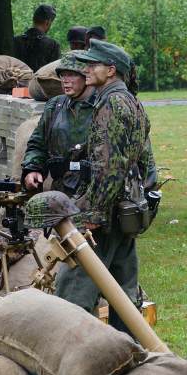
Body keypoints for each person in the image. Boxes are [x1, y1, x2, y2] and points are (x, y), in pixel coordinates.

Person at [59, 39, 148, 337]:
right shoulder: (132, 101)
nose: (86, 69)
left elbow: (109, 167)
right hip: (126, 210)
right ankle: (131, 353)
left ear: (111, 71)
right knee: (124, 297)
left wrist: (92, 215)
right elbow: (142, 162)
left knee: (72, 294)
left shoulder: (111, 103)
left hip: (105, 214)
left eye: (92, 64)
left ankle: (73, 356)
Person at [21, 51, 97, 197]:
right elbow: (37, 144)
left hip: (94, 191)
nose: (65, 80)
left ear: (87, 77)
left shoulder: (103, 106)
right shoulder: (55, 105)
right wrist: (33, 168)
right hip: (60, 190)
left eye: (72, 74)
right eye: (63, 75)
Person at [12, 4, 60, 71]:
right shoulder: (53, 45)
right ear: (47, 22)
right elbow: (53, 73)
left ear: (33, 19)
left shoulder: (15, 41)